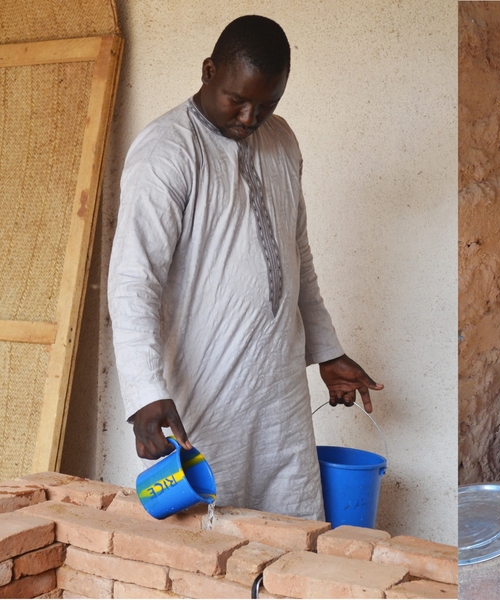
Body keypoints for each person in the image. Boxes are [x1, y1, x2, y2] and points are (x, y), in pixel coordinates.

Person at [108, 15, 383, 520]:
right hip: (205, 390)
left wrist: (327, 350)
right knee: (210, 533)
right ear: (210, 71)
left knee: (292, 527)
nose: (250, 116)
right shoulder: (166, 152)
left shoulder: (282, 142)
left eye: (268, 103)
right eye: (238, 99)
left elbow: (296, 255)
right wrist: (145, 393)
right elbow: (133, 281)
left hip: (278, 386)